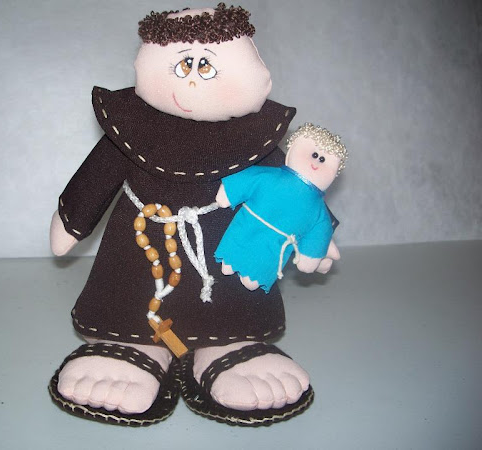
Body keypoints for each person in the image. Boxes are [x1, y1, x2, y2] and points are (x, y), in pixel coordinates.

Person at [48, 4, 341, 426]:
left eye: (205, 65)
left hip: (229, 261)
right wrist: (72, 220)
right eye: (182, 63)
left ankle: (228, 344)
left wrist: (319, 234)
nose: (191, 78)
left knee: (234, 296)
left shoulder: (257, 141)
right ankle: (133, 343)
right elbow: (97, 177)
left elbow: (295, 191)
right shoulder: (129, 129)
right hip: (138, 253)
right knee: (129, 293)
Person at [215, 123, 348, 293]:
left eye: (323, 159)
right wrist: (229, 192)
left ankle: (252, 277)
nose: (316, 161)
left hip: (277, 244)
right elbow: (252, 178)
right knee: (231, 256)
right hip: (249, 225)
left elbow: (320, 232)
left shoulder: (319, 211)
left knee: (256, 274)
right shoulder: (272, 177)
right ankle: (230, 263)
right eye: (315, 154)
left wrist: (309, 257)